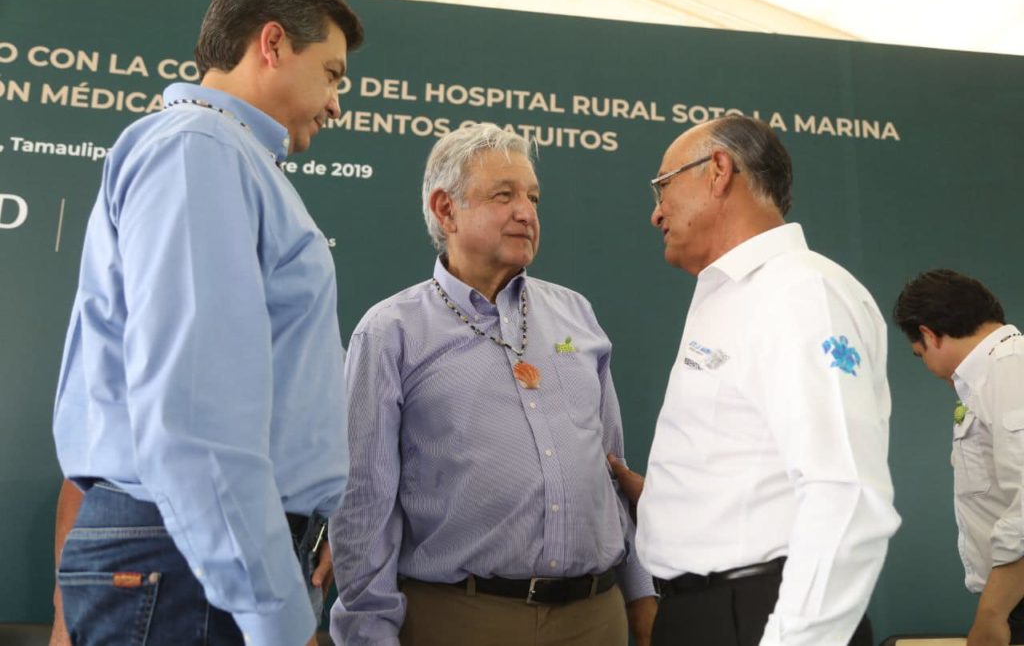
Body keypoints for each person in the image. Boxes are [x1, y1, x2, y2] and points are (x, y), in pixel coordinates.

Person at [49, 0, 363, 644]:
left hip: (193, 557)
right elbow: (196, 413)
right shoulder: (200, 148)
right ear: (272, 44)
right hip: (187, 564)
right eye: (332, 74)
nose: (337, 104)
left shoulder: (220, 153)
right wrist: (275, 616)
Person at [329, 123, 657, 646]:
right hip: (462, 619)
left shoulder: (576, 313)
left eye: (533, 197)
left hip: (597, 616)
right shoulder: (391, 331)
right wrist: (368, 635)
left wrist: (641, 592)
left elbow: (612, 468)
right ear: (446, 210)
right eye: (504, 195)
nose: (526, 212)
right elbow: (364, 506)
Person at [616, 114, 900, 646]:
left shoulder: (800, 293)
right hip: (706, 612)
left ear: (718, 170)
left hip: (758, 616)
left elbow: (845, 492)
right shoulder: (737, 294)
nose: (656, 212)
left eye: (663, 185)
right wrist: (665, 502)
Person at [894, 269, 1024, 646]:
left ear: (930, 335)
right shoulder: (994, 373)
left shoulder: (1009, 369)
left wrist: (992, 613)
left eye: (920, 354)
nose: (927, 367)